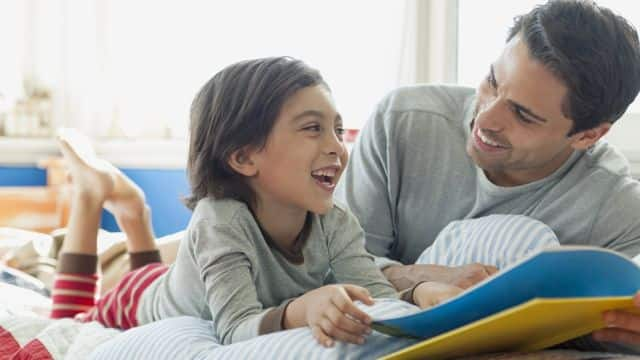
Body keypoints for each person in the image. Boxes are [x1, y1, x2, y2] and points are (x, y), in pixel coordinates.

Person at [49, 57, 464, 348]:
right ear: (244, 157)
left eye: (338, 129)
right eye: (312, 128)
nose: (337, 146)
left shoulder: (335, 221)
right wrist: (298, 311)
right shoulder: (220, 222)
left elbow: (375, 297)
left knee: (157, 270)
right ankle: (97, 199)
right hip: (140, 299)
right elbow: (233, 330)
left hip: (179, 277)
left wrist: (420, 296)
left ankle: (134, 215)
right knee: (69, 321)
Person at [335, 0, 640, 351]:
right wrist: (424, 279)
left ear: (588, 136)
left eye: (523, 115)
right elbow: (332, 265)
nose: (486, 119)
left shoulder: (617, 212)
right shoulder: (402, 122)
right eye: (493, 82)